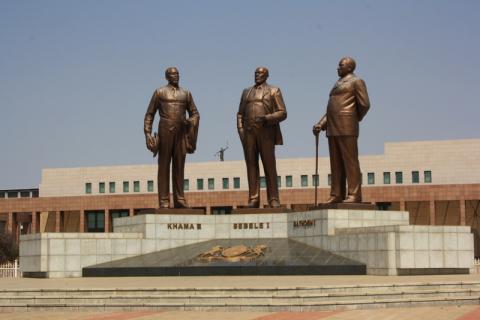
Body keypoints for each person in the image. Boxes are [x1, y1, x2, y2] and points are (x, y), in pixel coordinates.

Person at [313, 57, 370, 203]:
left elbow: (364, 104)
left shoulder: (357, 81)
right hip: (332, 128)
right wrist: (321, 123)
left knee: (350, 162)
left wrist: (351, 118)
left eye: (341, 65)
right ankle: (336, 194)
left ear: (350, 68)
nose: (338, 68)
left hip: (347, 126)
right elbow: (332, 109)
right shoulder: (337, 83)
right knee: (336, 163)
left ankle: (354, 194)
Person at [144, 67, 200, 208]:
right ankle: (164, 200)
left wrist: (190, 121)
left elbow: (195, 113)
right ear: (167, 77)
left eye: (177, 73)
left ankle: (179, 198)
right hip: (165, 131)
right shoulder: (159, 92)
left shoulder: (186, 94)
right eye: (172, 74)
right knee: (164, 166)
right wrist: (147, 133)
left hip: (181, 133)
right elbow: (150, 114)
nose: (176, 76)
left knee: (179, 166)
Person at [237, 67, 287, 208]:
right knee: (251, 166)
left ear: (267, 76)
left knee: (269, 166)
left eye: (260, 73)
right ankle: (254, 198)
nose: (257, 75)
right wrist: (241, 130)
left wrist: (267, 118)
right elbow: (240, 113)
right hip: (249, 133)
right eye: (256, 73)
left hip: (266, 132)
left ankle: (273, 199)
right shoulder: (246, 92)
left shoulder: (274, 90)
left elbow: (282, 112)